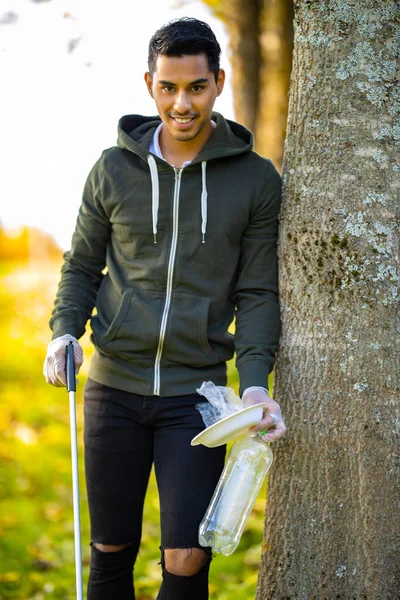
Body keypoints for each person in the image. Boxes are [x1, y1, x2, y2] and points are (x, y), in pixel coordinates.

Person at [43, 16, 286, 600]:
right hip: (112, 388)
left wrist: (253, 384)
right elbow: (82, 265)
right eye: (169, 87)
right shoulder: (112, 169)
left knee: (185, 558)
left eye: (196, 87)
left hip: (195, 396)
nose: (182, 103)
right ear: (149, 84)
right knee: (109, 552)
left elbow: (257, 290)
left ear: (219, 82)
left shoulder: (255, 181)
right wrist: (62, 333)